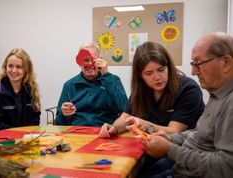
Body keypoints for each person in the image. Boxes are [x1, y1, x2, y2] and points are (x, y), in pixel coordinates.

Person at [99, 41, 205, 178]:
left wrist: (143, 124)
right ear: (140, 75)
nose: (157, 77)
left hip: (180, 152)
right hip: (150, 148)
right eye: (148, 73)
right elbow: (125, 118)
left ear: (169, 67)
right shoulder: (140, 91)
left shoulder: (188, 89)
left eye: (161, 70)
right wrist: (113, 128)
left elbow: (175, 131)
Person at [142, 32, 233, 178]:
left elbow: (227, 167)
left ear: (226, 63)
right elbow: (198, 133)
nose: (193, 71)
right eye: (193, 64)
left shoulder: (230, 103)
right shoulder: (217, 94)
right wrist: (170, 138)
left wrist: (170, 150)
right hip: (180, 167)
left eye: (199, 63)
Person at [55, 42, 128, 126]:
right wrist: (64, 114)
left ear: (101, 60)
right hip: (77, 133)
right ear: (79, 62)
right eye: (85, 60)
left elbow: (123, 109)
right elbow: (58, 123)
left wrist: (106, 76)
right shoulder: (69, 85)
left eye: (93, 60)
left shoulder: (113, 80)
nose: (89, 64)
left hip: (105, 131)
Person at [0, 48, 40, 135]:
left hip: (24, 139)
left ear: (26, 70)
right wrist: (16, 133)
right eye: (10, 66)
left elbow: (35, 117)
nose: (13, 70)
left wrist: (27, 134)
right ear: (5, 67)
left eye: (19, 67)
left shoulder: (31, 89)